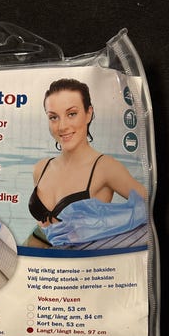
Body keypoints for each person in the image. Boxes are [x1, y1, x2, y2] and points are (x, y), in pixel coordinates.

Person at [27, 78, 147, 248]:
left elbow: (149, 207)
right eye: (53, 117)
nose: (62, 126)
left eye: (71, 114)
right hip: (31, 251)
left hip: (77, 259)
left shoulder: (105, 167)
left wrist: (107, 230)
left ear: (88, 113)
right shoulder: (41, 168)